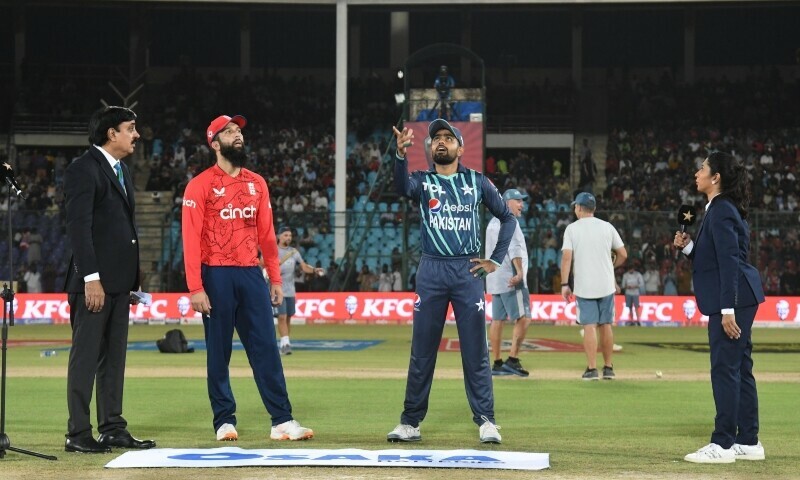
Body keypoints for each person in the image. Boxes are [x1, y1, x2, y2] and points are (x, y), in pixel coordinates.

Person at [182, 114, 313, 443]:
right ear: (214, 143)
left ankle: (281, 420)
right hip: (215, 275)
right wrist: (195, 287)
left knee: (266, 348)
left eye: (239, 130)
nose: (237, 134)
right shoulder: (199, 185)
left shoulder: (257, 182)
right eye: (229, 131)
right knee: (219, 351)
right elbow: (190, 238)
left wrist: (275, 279)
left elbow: (268, 235)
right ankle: (224, 420)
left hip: (251, 273)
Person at [388, 119, 516, 444]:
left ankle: (486, 420)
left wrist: (496, 259)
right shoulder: (423, 181)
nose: (441, 142)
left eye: (448, 138)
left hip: (467, 271)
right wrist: (400, 156)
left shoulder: (477, 181)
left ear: (461, 147)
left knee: (476, 351)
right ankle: (410, 422)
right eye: (436, 139)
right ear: (430, 148)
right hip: (431, 271)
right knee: (422, 351)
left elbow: (507, 217)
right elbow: (402, 187)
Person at [63, 106, 155, 453]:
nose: (136, 134)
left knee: (114, 359)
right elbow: (78, 228)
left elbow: (124, 230)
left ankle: (113, 427)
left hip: (118, 284)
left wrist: (134, 278)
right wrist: (91, 278)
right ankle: (77, 432)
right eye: (130, 128)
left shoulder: (122, 171)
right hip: (94, 284)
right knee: (86, 358)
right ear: (110, 133)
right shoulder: (83, 169)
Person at [674, 151, 765, 464]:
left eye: (702, 168)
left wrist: (727, 309)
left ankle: (723, 444)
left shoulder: (722, 209)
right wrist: (688, 247)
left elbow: (728, 262)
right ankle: (749, 441)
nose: (697, 173)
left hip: (735, 298)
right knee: (740, 368)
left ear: (716, 178)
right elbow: (719, 257)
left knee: (725, 368)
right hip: (743, 293)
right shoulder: (721, 208)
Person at [560, 192, 627, 380]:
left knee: (589, 326)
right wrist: (610, 265)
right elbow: (623, 254)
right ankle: (608, 368)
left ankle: (591, 369)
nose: (575, 209)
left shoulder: (572, 229)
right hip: (606, 284)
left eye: (575, 206)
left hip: (585, 285)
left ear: (580, 208)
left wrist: (565, 283)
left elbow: (567, 257)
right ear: (594, 209)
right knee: (606, 325)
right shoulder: (607, 227)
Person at [485, 188, 532, 377]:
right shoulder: (509, 221)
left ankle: (496, 363)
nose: (522, 204)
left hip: (495, 279)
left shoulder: (492, 223)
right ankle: (512, 360)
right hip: (511, 278)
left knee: (497, 320)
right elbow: (514, 249)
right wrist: (520, 272)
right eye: (518, 201)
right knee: (525, 317)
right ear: (506, 203)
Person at [276, 225, 324, 355]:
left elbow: (304, 267)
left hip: (290, 290)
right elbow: (263, 263)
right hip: (277, 290)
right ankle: (286, 344)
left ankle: (284, 343)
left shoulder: (294, 252)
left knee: (288, 318)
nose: (288, 238)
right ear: (279, 236)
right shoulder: (273, 251)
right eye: (286, 235)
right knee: (282, 316)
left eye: (290, 236)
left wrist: (314, 270)